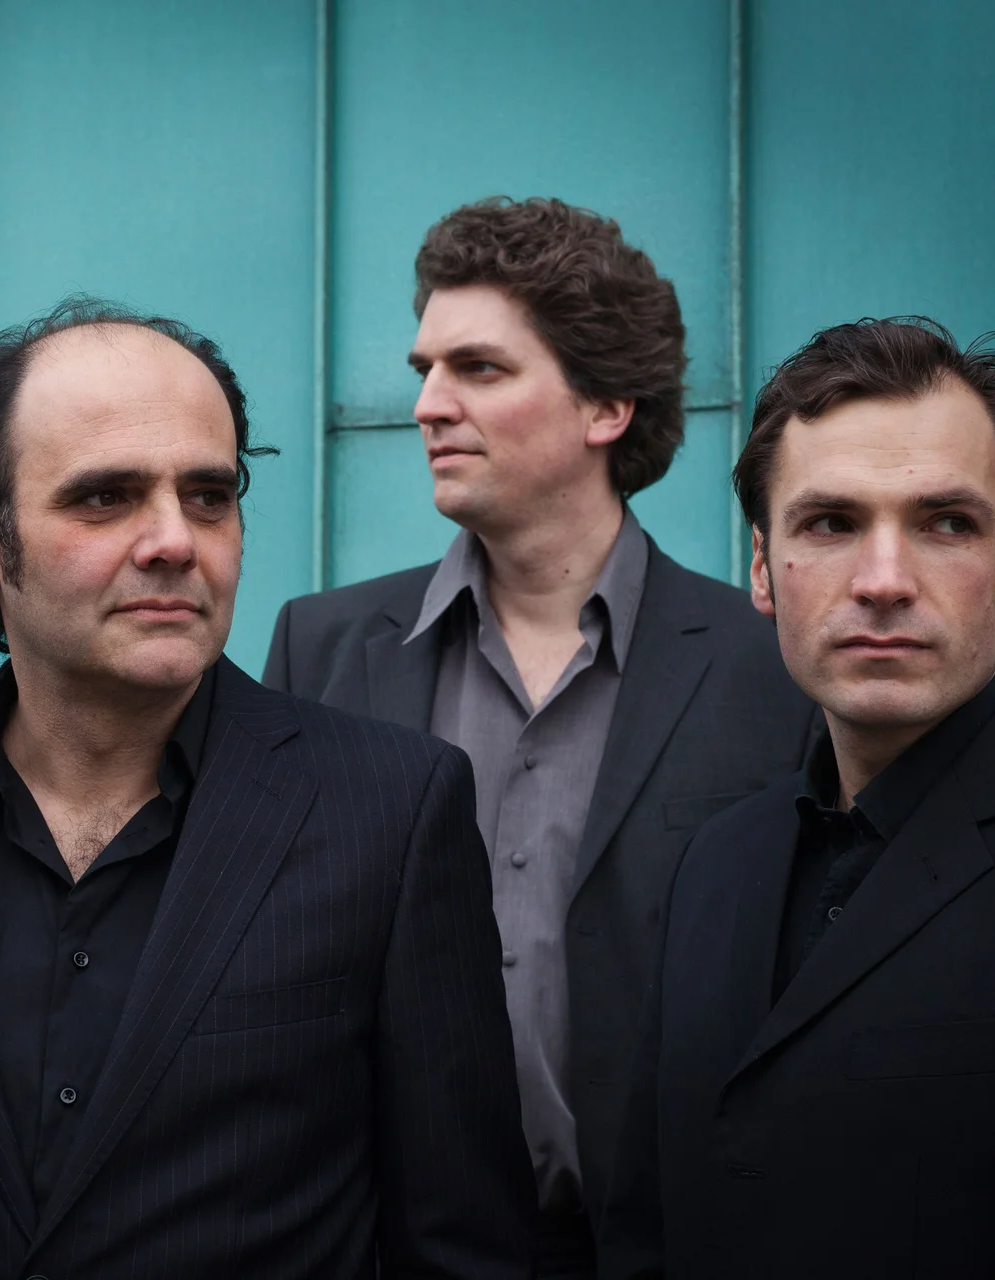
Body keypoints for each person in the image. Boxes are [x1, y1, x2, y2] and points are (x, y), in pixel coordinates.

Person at [0, 298, 536, 1277]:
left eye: (209, 496)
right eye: (106, 497)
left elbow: (464, 1240)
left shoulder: (392, 810)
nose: (175, 540)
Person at [263, 196, 814, 1274]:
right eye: (426, 368)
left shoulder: (771, 669)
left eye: (478, 368)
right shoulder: (319, 649)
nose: (428, 404)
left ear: (606, 403)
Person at [599, 318, 995, 1278]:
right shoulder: (715, 865)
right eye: (831, 524)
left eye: (946, 523)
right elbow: (647, 1229)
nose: (884, 582)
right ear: (762, 569)